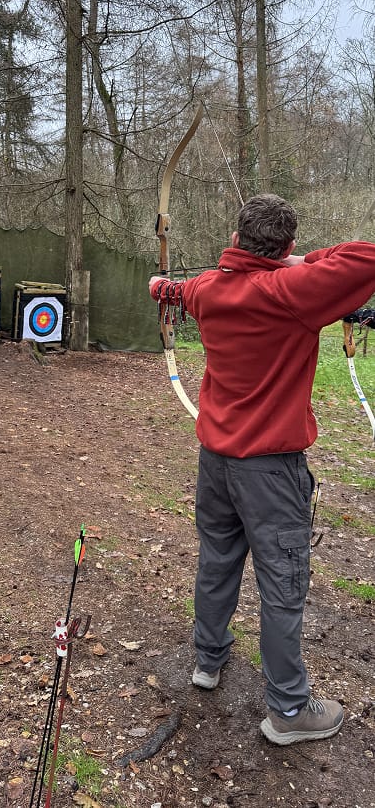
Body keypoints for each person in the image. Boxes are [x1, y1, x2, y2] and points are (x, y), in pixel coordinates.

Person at [149, 194, 375, 746]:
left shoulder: (207, 288)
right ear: (287, 247)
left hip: (216, 462)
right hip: (270, 471)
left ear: (237, 237)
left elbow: (174, 291)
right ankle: (290, 711)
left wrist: (161, 287)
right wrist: (305, 263)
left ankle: (208, 659)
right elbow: (368, 257)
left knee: (219, 558)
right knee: (282, 584)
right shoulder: (291, 291)